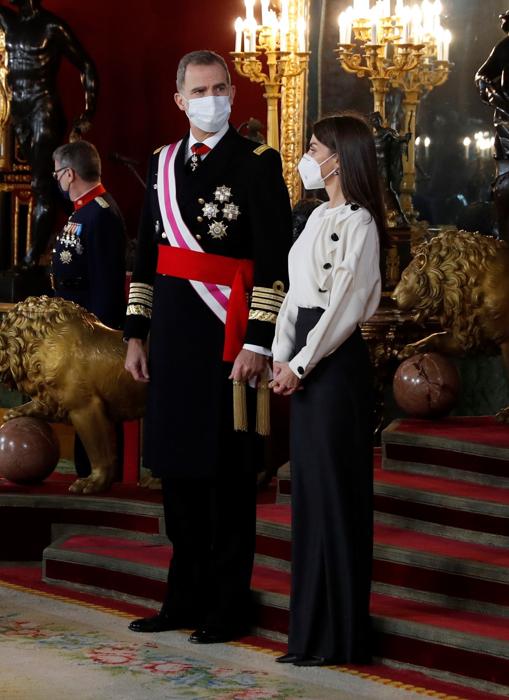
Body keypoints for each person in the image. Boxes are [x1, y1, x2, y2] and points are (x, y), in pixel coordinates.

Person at [124, 50, 292, 644]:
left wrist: (259, 341)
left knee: (226, 480)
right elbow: (145, 256)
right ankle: (182, 599)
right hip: (172, 342)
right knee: (178, 479)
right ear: (180, 100)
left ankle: (226, 607)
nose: (211, 98)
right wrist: (136, 333)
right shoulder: (162, 163)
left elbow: (275, 262)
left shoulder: (258, 163)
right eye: (199, 90)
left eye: (220, 88)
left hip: (229, 344)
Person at [271, 114, 385, 666]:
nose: (308, 155)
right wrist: (278, 355)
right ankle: (308, 635)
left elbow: (341, 308)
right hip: (305, 363)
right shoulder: (317, 214)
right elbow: (296, 295)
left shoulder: (361, 223)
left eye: (314, 147)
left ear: (338, 156)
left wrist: (301, 362)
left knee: (337, 496)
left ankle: (339, 636)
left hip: (335, 367)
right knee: (310, 497)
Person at [0, 0, 98, 266]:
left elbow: (86, 65)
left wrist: (88, 111)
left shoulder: (52, 27)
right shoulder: (9, 21)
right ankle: (85, 231)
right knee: (50, 184)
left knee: (40, 184)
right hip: (17, 111)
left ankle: (31, 261)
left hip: (44, 108)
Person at [51, 140, 126, 478]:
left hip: (93, 334)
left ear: (69, 174)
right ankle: (87, 473)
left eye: (57, 174)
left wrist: (95, 335)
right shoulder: (84, 210)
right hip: (77, 329)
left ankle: (98, 476)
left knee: (98, 407)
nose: (57, 180)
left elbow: (106, 283)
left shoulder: (101, 213)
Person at [476, 10, 509, 161]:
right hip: (506, 110)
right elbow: (482, 74)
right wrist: (485, 86)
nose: (502, 22)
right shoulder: (505, 47)